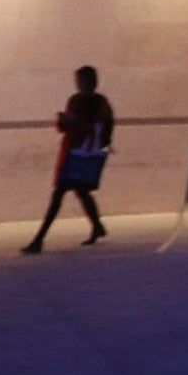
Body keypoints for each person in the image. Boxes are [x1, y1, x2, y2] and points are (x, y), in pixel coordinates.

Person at [22, 65, 114, 254]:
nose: (77, 83)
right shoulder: (93, 102)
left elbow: (87, 128)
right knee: (80, 191)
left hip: (79, 153)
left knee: (59, 194)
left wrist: (71, 121)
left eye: (78, 80)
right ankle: (97, 226)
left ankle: (39, 240)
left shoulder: (88, 102)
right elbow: (103, 130)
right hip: (82, 153)